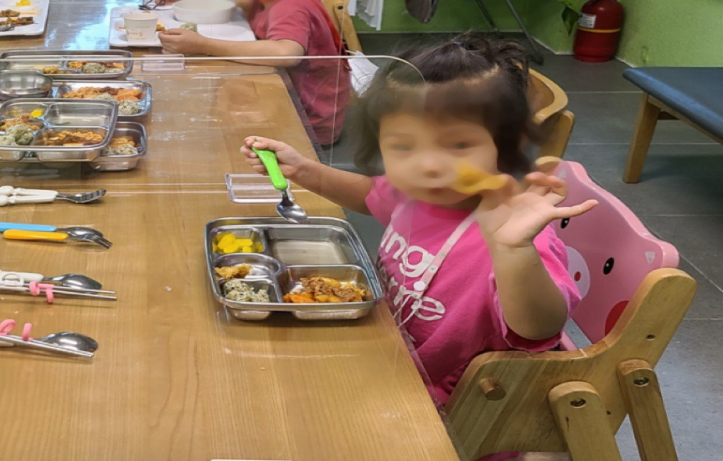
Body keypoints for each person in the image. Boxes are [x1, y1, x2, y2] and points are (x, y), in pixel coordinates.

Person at [241, 36, 594, 405]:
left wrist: (514, 251)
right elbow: (370, 194)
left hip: (444, 399)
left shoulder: (513, 232)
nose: (428, 165)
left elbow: (540, 328)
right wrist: (304, 170)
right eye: (403, 146)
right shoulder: (416, 194)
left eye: (457, 145)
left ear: (505, 143)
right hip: (383, 344)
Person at [156, 0, 350, 146]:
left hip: (305, 123)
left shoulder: (292, 5)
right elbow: (235, 2)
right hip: (283, 99)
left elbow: (286, 53)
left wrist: (203, 45)